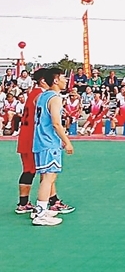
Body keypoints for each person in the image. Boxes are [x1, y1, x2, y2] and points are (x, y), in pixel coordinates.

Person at [15, 68, 74, 216]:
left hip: (33, 137)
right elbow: (54, 122)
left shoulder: (38, 95)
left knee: (42, 172)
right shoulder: (45, 95)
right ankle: (43, 206)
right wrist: (66, 140)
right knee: (44, 173)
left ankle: (45, 202)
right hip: (37, 138)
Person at [31, 68, 74, 226]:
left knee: (45, 176)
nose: (66, 80)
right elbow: (56, 122)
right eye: (63, 77)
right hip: (49, 142)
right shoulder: (55, 98)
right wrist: (66, 141)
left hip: (40, 140)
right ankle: (40, 214)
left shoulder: (41, 96)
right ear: (56, 80)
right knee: (49, 178)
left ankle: (41, 208)